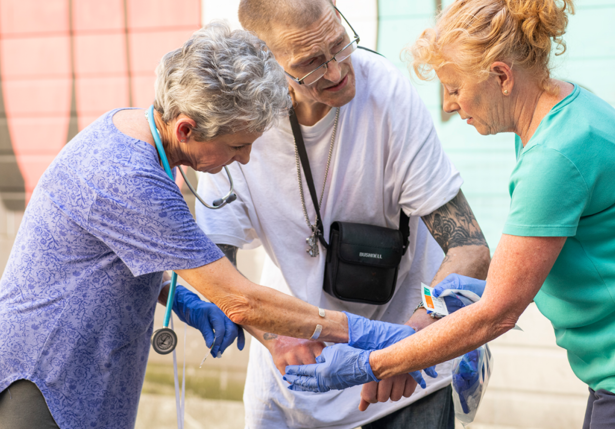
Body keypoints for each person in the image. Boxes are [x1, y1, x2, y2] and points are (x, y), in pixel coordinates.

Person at [285, 0, 615, 429]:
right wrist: (457, 301)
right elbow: (525, 265)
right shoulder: (561, 111)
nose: (451, 106)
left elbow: (497, 313)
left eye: (455, 89)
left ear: (501, 76)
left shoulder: (556, 155)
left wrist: (375, 363)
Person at [0, 22, 432, 429]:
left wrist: (181, 297)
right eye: (238, 146)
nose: (243, 159)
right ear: (187, 129)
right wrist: (381, 338)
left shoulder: (131, 133)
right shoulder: (128, 176)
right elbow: (242, 300)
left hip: (86, 374)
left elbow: (109, 258)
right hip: (48, 378)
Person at [195, 0, 493, 429]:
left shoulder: (385, 92)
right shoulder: (236, 125)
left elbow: (470, 249)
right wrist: (275, 337)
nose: (336, 70)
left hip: (408, 379)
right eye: (311, 63)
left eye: (339, 43)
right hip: (295, 373)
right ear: (265, 62)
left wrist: (413, 340)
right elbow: (217, 267)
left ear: (336, 10)